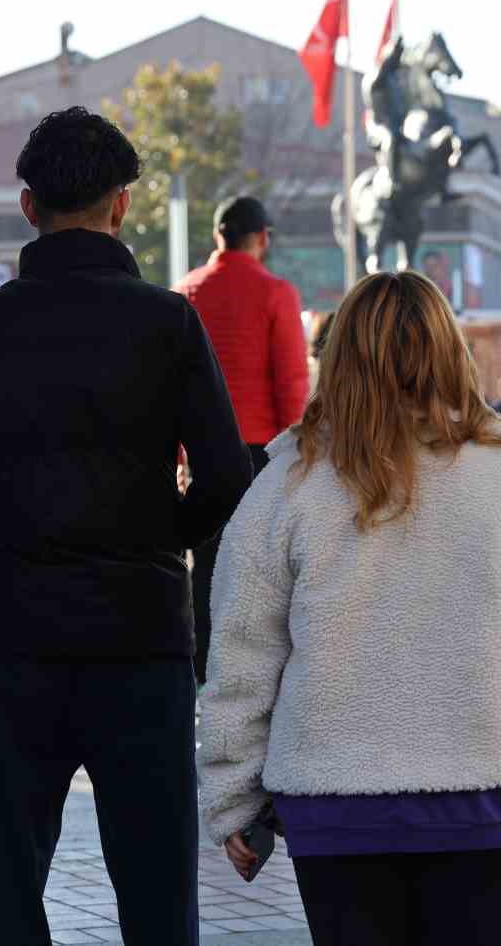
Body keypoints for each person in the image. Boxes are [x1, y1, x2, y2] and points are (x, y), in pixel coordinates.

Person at [198, 271, 501, 946]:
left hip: (332, 802)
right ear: (450, 352)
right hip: (482, 793)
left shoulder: (289, 482)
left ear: (339, 357)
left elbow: (240, 650)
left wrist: (233, 794)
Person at [0, 107, 254, 946]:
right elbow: (226, 475)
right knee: (156, 891)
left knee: (3, 891)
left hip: (10, 638)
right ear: (123, 205)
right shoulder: (167, 324)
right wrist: (156, 536)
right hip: (138, 640)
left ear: (29, 207)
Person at [175, 194, 309, 687]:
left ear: (217, 236)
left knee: (205, 570)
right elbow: (291, 381)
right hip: (261, 455)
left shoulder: (183, 293)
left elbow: (166, 387)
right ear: (262, 239)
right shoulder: (276, 294)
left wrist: (176, 459)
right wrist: (298, 457)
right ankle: (255, 678)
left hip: (201, 456)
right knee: (264, 571)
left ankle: (204, 672)